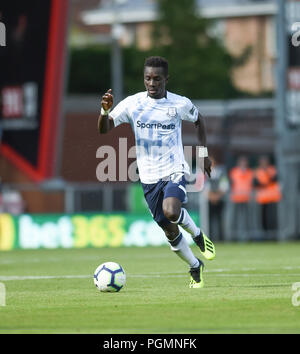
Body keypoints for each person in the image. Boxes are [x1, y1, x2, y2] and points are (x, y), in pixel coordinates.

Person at [98, 56, 216, 289]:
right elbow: (105, 130)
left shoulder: (179, 104)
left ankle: (197, 234)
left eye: (157, 79)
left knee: (172, 211)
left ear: (166, 79)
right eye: (148, 78)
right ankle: (194, 266)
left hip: (174, 170)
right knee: (170, 231)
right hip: (149, 177)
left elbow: (199, 120)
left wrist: (202, 154)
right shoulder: (133, 104)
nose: (152, 83)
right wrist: (104, 112)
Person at [254, 155, 281, 236]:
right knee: (263, 218)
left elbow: (274, 179)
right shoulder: (257, 171)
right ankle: (265, 235)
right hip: (262, 198)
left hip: (272, 198)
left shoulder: (272, 169)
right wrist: (265, 183)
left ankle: (273, 235)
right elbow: (255, 183)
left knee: (272, 218)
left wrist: (266, 175)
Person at [228, 156, 254, 241]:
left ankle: (246, 237)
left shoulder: (250, 172)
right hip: (236, 198)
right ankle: (233, 237)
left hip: (246, 198)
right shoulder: (234, 172)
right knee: (235, 219)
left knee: (246, 220)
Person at [205, 156, 229, 241]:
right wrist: (211, 197)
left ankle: (221, 239)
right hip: (209, 200)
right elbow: (205, 188)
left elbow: (224, 186)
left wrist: (217, 196)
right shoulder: (205, 173)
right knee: (209, 221)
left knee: (220, 220)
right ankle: (210, 239)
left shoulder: (221, 172)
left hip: (220, 200)